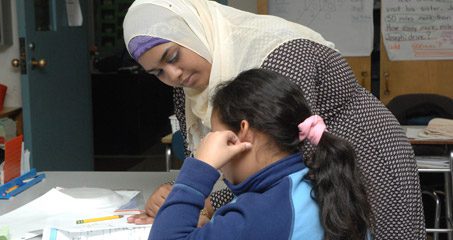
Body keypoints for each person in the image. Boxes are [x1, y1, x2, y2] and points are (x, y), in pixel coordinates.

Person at [123, 0, 426, 238]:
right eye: (158, 73)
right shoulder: (188, 83)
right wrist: (188, 197)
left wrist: (204, 199)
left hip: (360, 157)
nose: (173, 75)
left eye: (172, 57)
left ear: (193, 29)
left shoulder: (278, 56)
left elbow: (278, 162)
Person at [149, 68, 372, 240]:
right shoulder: (313, 184)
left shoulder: (264, 212)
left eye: (216, 136)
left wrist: (201, 165)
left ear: (243, 133)